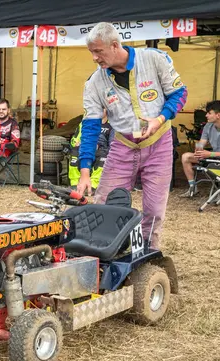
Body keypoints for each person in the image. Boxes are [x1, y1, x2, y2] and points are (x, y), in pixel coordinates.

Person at [77, 23, 187, 249]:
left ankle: (148, 256)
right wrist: (85, 170)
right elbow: (90, 126)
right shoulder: (94, 82)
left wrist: (160, 118)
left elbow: (179, 93)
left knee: (154, 210)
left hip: (159, 143)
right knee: (104, 204)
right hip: (123, 145)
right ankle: (102, 253)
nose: (94, 58)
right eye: (91, 52)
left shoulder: (155, 59)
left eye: (98, 51)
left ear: (115, 45)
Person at [180, 100, 220, 198]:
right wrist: (198, 149)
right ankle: (193, 188)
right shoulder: (208, 126)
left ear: (218, 115)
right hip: (213, 156)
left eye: (209, 113)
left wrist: (210, 154)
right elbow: (201, 143)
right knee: (186, 156)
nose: (206, 115)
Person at [68, 109, 114, 190]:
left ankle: (94, 185)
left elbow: (113, 145)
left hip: (102, 150)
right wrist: (76, 143)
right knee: (74, 151)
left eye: (102, 108)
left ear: (107, 110)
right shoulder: (85, 123)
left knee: (103, 155)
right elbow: (73, 140)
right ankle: (74, 183)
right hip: (85, 147)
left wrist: (99, 146)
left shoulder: (112, 125)